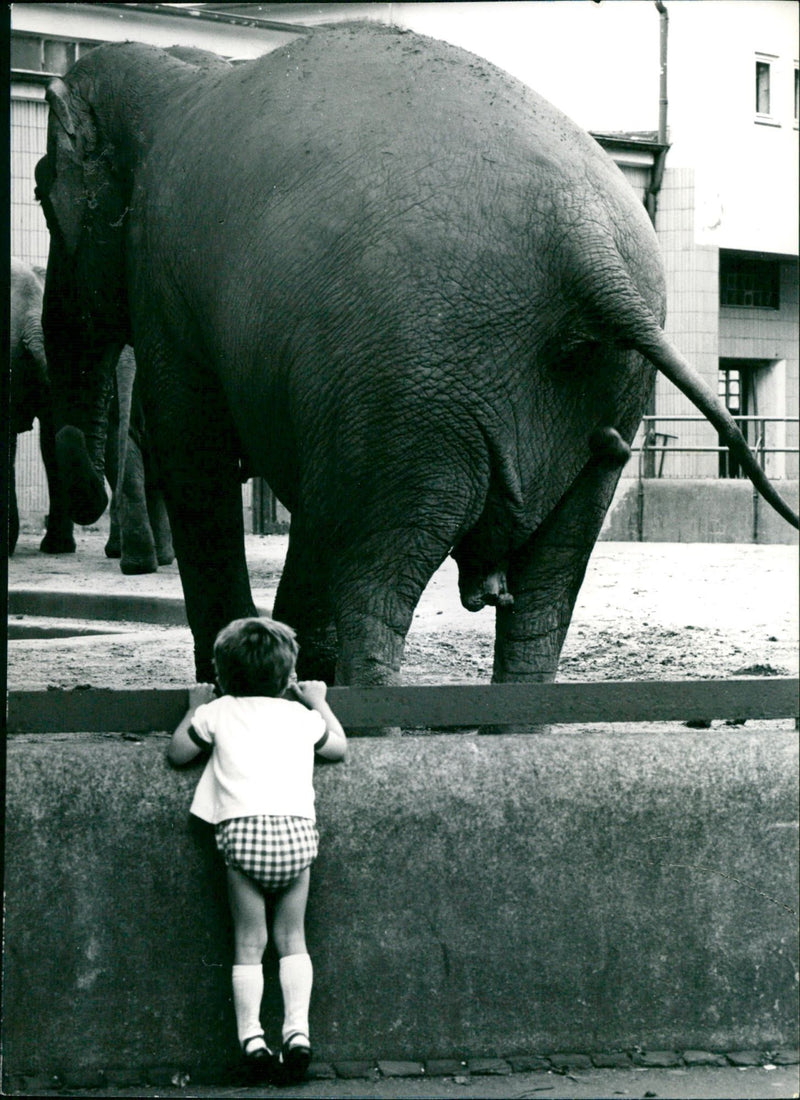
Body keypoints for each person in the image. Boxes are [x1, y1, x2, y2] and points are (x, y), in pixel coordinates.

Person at [168, 617, 347, 1083]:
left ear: (223, 675)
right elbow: (338, 748)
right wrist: (320, 703)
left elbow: (177, 754)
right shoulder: (300, 717)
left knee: (250, 943)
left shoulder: (217, 713)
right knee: (293, 940)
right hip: (296, 836)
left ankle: (252, 1038)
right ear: (289, 676)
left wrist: (192, 708)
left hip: (242, 836)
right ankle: (298, 1034)